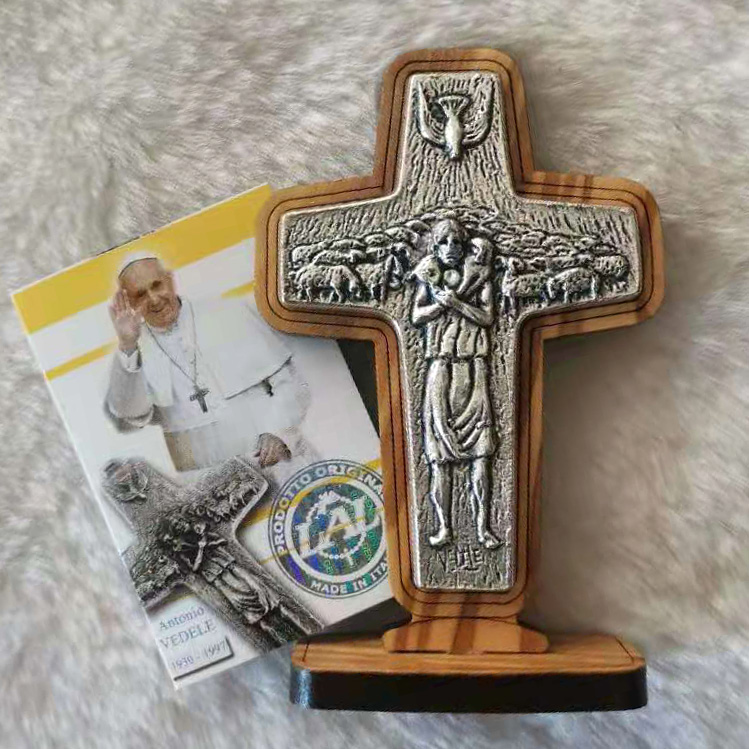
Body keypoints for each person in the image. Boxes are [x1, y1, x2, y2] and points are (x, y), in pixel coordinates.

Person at [105, 252, 311, 483]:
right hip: (209, 487)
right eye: (140, 294)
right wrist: (127, 345)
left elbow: (292, 382)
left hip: (276, 462)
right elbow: (132, 416)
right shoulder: (133, 349)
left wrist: (279, 432)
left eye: (156, 285)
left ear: (170, 280)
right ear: (129, 302)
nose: (153, 299)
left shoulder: (226, 312)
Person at [411, 219, 500, 549]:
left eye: (456, 242)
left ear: (464, 247)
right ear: (435, 246)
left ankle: (483, 528)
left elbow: (487, 317)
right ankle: (443, 528)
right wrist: (440, 304)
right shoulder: (428, 277)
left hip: (473, 369)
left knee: (482, 454)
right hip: (440, 368)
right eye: (444, 242)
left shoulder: (481, 278)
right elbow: (417, 316)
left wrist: (457, 303)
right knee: (438, 457)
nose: (450, 248)